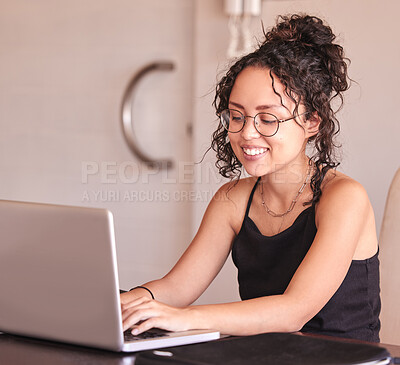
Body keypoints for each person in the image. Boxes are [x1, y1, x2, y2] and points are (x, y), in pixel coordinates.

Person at [120, 14, 381, 342]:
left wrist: (182, 318)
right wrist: (124, 303)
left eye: (267, 119)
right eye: (237, 115)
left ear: (313, 121)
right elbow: (176, 288)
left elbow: (294, 311)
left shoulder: (344, 197)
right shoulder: (232, 199)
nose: (247, 133)